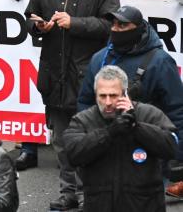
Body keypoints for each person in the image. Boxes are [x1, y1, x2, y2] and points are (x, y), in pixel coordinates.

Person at [25, 0, 120, 211]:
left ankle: (89, 191)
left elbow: (111, 26)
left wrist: (74, 23)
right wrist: (38, 26)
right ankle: (68, 192)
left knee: (90, 140)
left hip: (88, 78)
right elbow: (30, 16)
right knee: (62, 141)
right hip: (55, 75)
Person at [64, 65, 178, 211]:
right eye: (102, 96)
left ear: (125, 94)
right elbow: (73, 155)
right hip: (100, 205)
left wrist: (137, 127)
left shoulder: (149, 114)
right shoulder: (83, 120)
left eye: (113, 95)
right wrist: (109, 133)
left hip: (145, 205)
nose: (108, 102)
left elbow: (170, 148)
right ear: (95, 94)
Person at [78, 7, 183, 158]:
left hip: (147, 151)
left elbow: (177, 110)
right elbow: (85, 101)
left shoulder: (160, 62)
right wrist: (88, 139)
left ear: (138, 29)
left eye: (122, 25)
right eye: (113, 24)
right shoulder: (99, 59)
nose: (116, 29)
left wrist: (178, 157)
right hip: (104, 147)